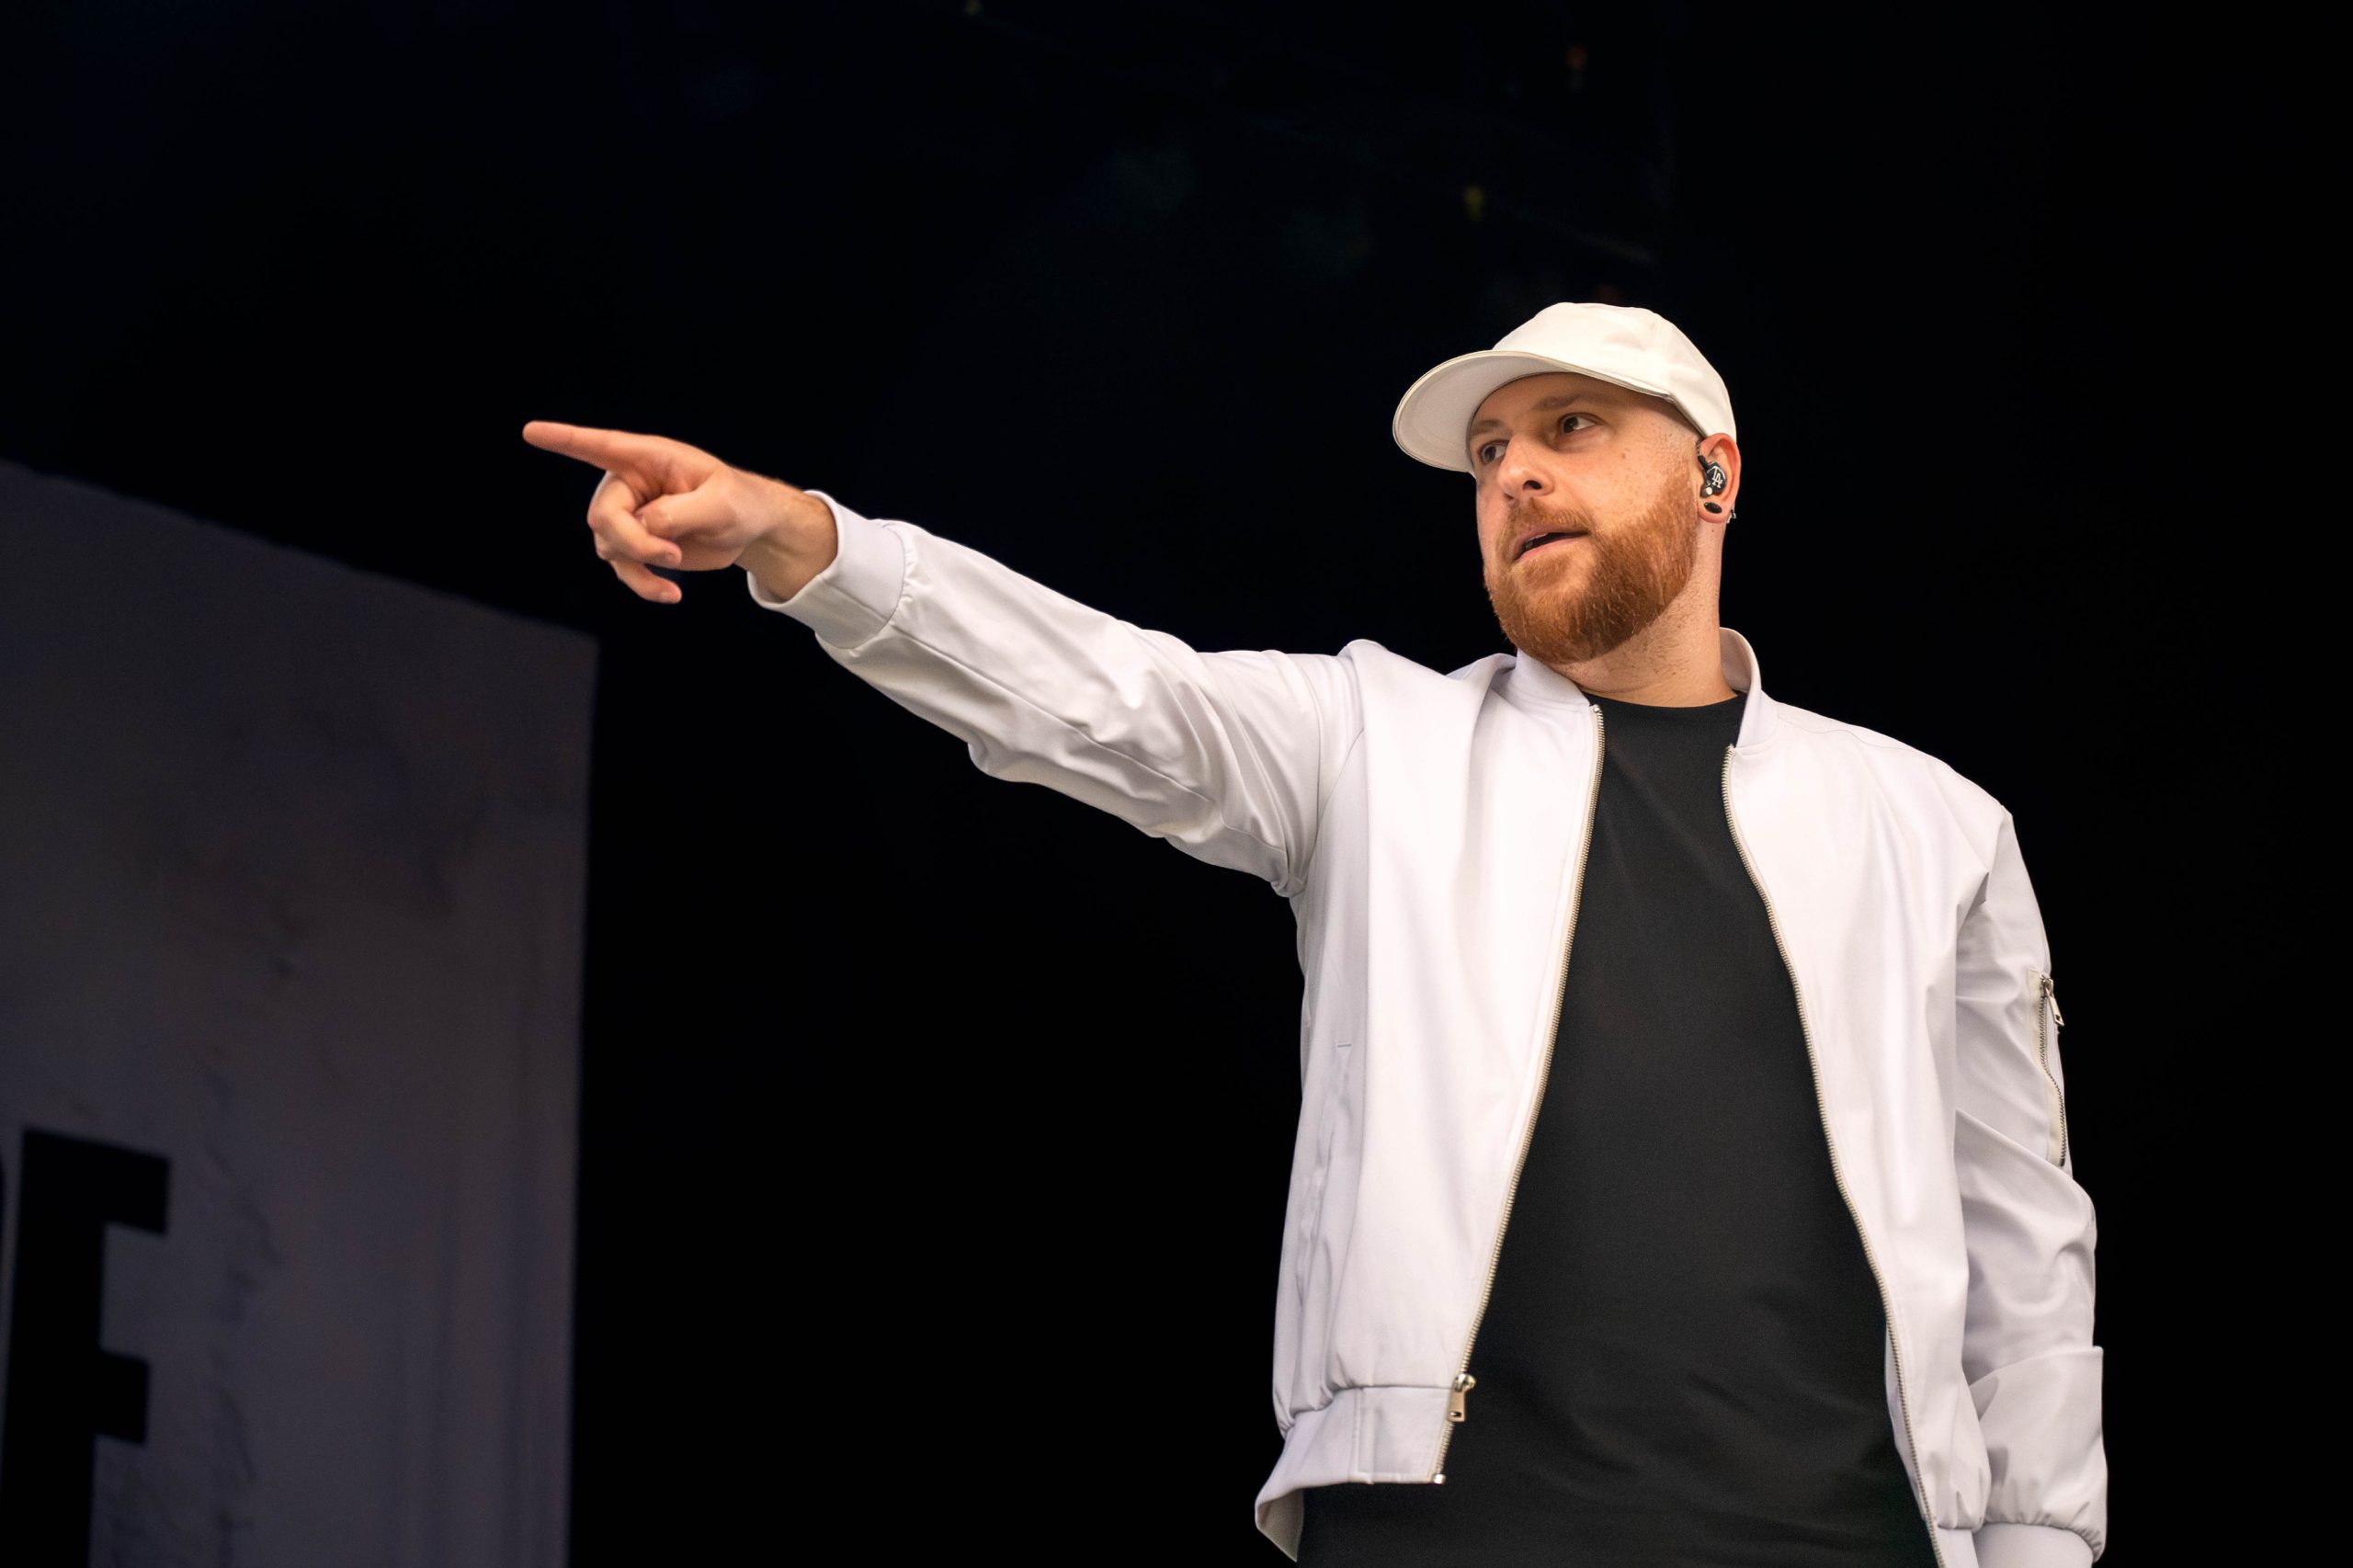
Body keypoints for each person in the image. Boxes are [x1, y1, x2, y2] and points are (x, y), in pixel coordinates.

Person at [521, 301, 2106, 1567]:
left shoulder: (1934, 825)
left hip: (1845, 1536)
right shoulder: (1372, 741)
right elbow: (1100, 693)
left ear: (1715, 474)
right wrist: (805, 540)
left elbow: (2022, 1242)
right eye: (1488, 454)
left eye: (1570, 427)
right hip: (1453, 1532)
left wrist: (2040, 1546)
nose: (1515, 476)